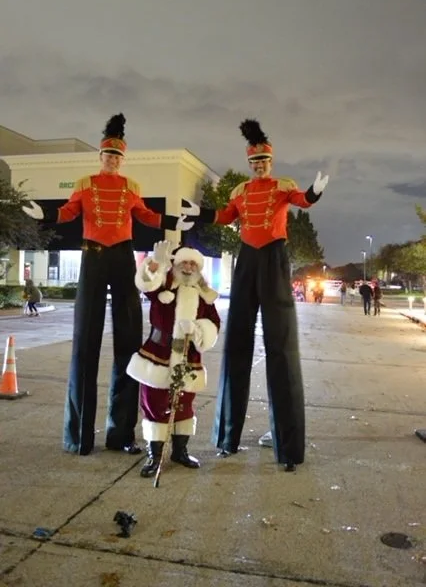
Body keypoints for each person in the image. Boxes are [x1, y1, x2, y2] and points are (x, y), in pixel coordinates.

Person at [22, 114, 193, 456]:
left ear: (121, 159)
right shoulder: (86, 184)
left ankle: (121, 434)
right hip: (94, 257)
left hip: (123, 257)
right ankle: (79, 437)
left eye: (117, 156)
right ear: (100, 157)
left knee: (129, 342)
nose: (113, 160)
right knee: (85, 342)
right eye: (108, 155)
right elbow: (70, 211)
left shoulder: (131, 187)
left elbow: (145, 215)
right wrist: (46, 214)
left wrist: (175, 220)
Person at [183, 119, 329, 471]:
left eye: (263, 161)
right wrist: (199, 214)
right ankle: (227, 437)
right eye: (254, 163)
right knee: (236, 344)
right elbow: (225, 216)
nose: (259, 166)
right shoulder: (241, 192)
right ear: (250, 164)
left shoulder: (282, 186)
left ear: (271, 161)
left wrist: (314, 191)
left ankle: (288, 447)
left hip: (275, 257)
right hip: (247, 258)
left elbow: (302, 202)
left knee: (281, 345)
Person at [126, 241, 220, 478]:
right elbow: (146, 283)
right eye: (184, 262)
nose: (188, 267)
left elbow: (214, 324)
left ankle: (180, 450)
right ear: (176, 265)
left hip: (188, 356)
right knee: (154, 403)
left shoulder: (205, 294)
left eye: (193, 263)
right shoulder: (164, 284)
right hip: (158, 353)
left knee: (184, 404)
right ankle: (155, 455)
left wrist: (199, 329)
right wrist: (156, 263)